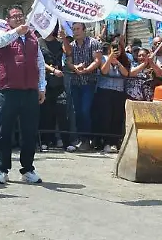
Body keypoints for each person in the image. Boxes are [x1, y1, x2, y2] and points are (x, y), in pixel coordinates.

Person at [0, 6, 46, 184]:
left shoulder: (33, 38)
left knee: (29, 132)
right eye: (14, 17)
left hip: (29, 90)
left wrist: (42, 87)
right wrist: (16, 31)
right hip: (9, 89)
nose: (18, 19)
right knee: (5, 131)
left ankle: (27, 169)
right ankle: (2, 169)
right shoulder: (3, 33)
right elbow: (0, 43)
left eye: (21, 16)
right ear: (7, 20)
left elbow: (40, 62)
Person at [62, 22, 100, 152]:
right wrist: (76, 68)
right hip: (75, 82)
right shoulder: (71, 45)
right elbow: (68, 61)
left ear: (84, 30)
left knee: (85, 110)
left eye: (78, 29)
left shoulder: (93, 43)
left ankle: (87, 139)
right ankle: (80, 138)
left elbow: (97, 60)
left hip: (89, 82)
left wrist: (86, 70)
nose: (75, 32)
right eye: (73, 29)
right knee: (77, 111)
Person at [94, 42, 128, 153]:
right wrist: (110, 59)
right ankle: (105, 141)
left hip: (118, 92)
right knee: (105, 117)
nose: (115, 51)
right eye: (113, 48)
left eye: (117, 49)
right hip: (104, 91)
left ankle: (114, 141)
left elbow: (126, 73)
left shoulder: (124, 60)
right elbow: (104, 71)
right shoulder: (103, 58)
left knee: (117, 117)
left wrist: (117, 63)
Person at [39, 25, 67, 151]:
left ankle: (62, 140)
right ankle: (45, 140)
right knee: (46, 112)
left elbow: (69, 53)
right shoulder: (38, 42)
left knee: (61, 112)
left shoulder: (60, 42)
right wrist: (52, 70)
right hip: (44, 81)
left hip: (60, 82)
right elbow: (39, 61)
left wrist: (64, 38)